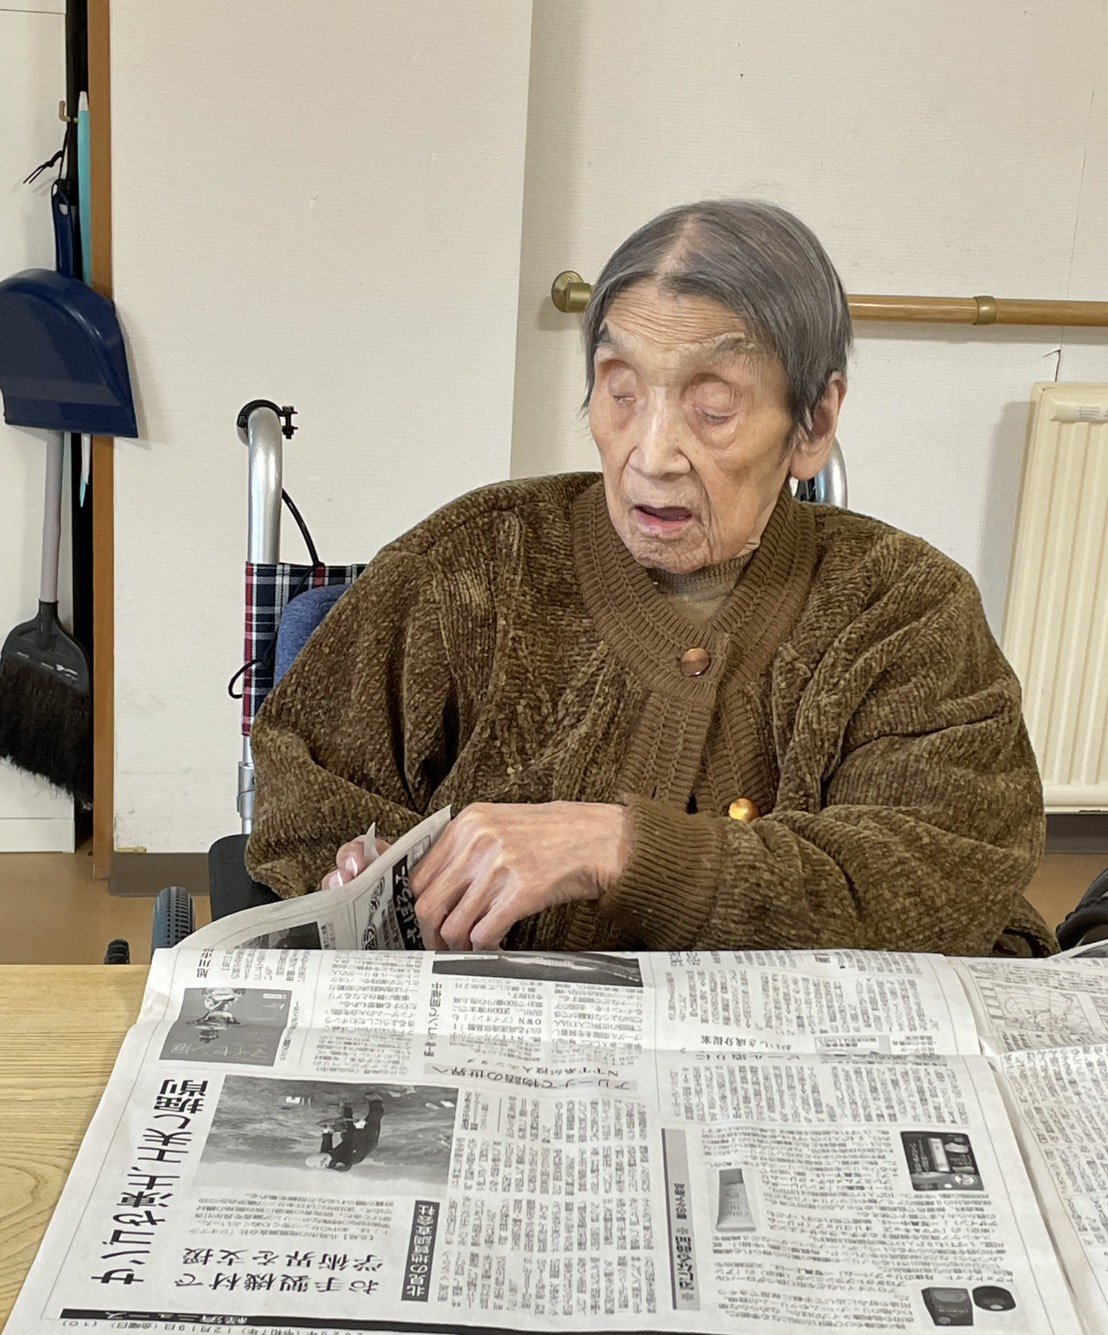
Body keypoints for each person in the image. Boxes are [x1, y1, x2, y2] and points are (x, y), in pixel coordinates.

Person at [246, 199, 1054, 959]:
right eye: (622, 392)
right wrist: (379, 872)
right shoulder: (472, 564)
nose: (652, 455)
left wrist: (624, 848)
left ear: (813, 424)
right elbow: (303, 790)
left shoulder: (905, 607)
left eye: (714, 407)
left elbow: (936, 878)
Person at [305, 1095, 385, 1172]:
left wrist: (327, 1132)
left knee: (347, 1125)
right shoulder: (354, 1158)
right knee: (372, 1120)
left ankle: (347, 1107)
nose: (329, 1154)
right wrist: (359, 1128)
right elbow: (359, 1143)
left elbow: (326, 1143)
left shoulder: (325, 1157)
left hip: (348, 1141)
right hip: (366, 1141)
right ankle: (376, 1102)